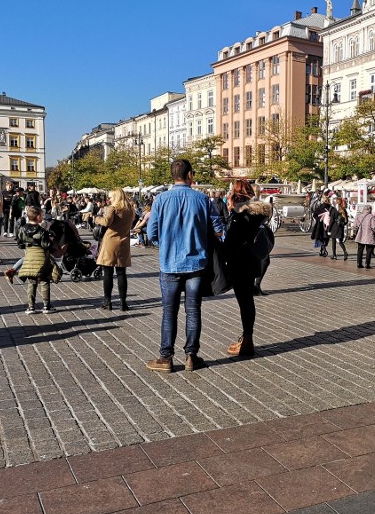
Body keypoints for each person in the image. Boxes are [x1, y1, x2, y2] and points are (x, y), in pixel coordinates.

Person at [146, 159, 211, 373]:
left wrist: (164, 244)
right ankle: (191, 356)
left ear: (173, 175)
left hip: (170, 263)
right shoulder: (202, 199)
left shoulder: (161, 199)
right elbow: (215, 229)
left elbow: (151, 233)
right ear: (190, 174)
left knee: (169, 312)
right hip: (196, 263)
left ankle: (166, 358)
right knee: (193, 310)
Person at [224, 179, 272, 355]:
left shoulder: (240, 216)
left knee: (244, 301)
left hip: (239, 262)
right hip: (253, 261)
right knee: (247, 301)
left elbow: (230, 242)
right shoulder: (258, 214)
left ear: (236, 195)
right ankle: (247, 338)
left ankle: (247, 341)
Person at [94, 188, 135, 311]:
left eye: (111, 197)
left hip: (111, 241)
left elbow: (106, 222)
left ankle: (108, 301)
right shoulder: (130, 210)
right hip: (123, 242)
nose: (109, 199)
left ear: (116, 197)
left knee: (108, 273)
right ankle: (123, 302)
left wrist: (96, 218)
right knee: (122, 273)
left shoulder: (113, 208)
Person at [17, 206, 56, 314]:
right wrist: (51, 240)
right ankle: (46, 306)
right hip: (41, 257)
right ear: (38, 217)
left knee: (31, 282)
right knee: (44, 281)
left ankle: (31, 307)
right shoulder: (42, 231)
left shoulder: (22, 229)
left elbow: (20, 244)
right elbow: (46, 245)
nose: (43, 218)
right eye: (42, 216)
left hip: (29, 255)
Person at [354, 204, 375, 269]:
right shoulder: (371, 217)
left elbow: (355, 226)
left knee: (360, 250)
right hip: (369, 235)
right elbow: (374, 227)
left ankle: (359, 263)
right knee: (369, 250)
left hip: (360, 235)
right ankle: (367, 264)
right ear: (370, 209)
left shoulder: (358, 216)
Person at [328, 197, 349, 261]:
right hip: (340, 227)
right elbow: (346, 220)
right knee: (340, 241)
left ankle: (334, 255)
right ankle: (345, 252)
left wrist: (329, 229)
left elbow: (331, 220)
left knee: (333, 241)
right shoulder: (343, 209)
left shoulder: (333, 210)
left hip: (334, 227)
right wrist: (342, 225)